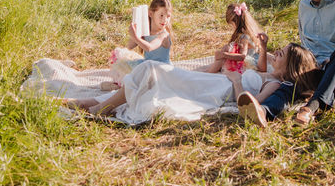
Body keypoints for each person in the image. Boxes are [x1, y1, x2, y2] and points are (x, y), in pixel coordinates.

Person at [73, 42, 320, 124]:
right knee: (149, 77)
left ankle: (99, 109)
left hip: (217, 90)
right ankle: (80, 104)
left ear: (289, 67)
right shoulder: (267, 74)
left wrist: (235, 81)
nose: (277, 53)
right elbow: (258, 65)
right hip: (211, 82)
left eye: (282, 54)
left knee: (151, 71)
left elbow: (252, 104)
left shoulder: (276, 86)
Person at [101, 0, 173, 90]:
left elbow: (149, 47)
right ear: (151, 14)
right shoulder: (146, 31)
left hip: (161, 69)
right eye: (161, 15)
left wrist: (136, 37)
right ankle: (120, 86)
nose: (165, 20)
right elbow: (129, 46)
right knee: (122, 59)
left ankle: (122, 88)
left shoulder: (164, 35)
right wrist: (136, 33)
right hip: (147, 66)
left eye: (168, 16)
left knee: (143, 77)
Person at [199, 2, 268, 74]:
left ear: (234, 23)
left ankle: (208, 74)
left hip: (250, 66)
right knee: (226, 50)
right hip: (250, 61)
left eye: (231, 24)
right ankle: (210, 71)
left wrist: (224, 54)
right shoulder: (246, 33)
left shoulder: (244, 37)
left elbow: (242, 56)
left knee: (224, 55)